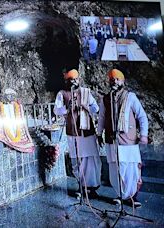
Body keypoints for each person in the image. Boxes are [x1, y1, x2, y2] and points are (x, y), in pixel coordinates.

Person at [97, 69, 148, 208]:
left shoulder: (130, 97)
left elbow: (142, 116)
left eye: (117, 79)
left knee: (131, 169)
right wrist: (99, 133)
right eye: (112, 79)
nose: (114, 81)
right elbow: (101, 117)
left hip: (128, 141)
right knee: (115, 169)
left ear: (122, 81)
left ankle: (132, 196)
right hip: (111, 140)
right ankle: (120, 195)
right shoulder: (105, 99)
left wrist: (143, 135)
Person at [54, 69, 102, 199]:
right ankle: (81, 186)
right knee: (77, 160)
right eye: (70, 80)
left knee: (91, 160)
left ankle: (92, 189)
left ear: (78, 80)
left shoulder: (86, 92)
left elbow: (96, 108)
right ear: (67, 81)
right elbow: (56, 110)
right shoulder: (62, 93)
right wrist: (66, 108)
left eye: (75, 79)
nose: (73, 82)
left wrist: (88, 107)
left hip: (87, 132)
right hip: (73, 133)